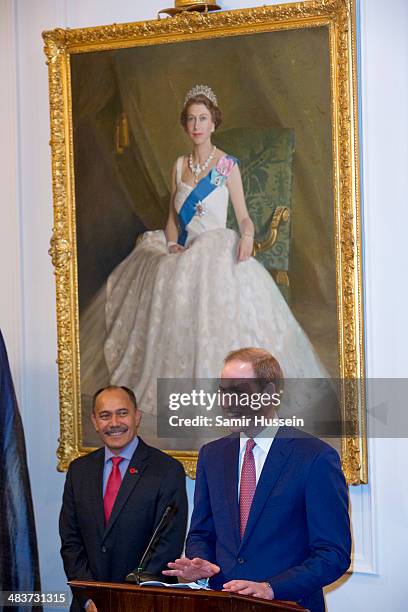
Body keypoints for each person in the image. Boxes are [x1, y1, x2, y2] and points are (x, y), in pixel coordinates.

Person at [100, 84, 327, 417]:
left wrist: (247, 236)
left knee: (202, 276)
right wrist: (171, 243)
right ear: (185, 124)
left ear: (213, 123)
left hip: (216, 248)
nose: (197, 126)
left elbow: (244, 217)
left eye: (203, 118)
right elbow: (172, 221)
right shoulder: (179, 166)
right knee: (161, 272)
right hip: (185, 250)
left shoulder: (227, 166)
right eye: (191, 119)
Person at [163, 348, 351, 612]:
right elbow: (201, 533)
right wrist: (202, 564)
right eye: (223, 391)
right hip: (221, 603)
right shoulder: (212, 455)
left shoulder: (315, 457)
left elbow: (333, 554)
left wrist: (271, 588)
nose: (227, 402)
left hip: (288, 605)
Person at [59, 385, 188, 612]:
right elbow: (71, 542)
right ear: (95, 421)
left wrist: (128, 600)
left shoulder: (167, 470)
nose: (114, 423)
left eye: (122, 413)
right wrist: (89, 596)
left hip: (144, 603)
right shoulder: (79, 471)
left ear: (137, 416)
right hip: (89, 605)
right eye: (105, 415)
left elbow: (167, 545)